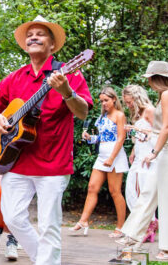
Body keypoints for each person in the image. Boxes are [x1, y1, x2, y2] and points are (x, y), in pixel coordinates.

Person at [0, 15, 93, 265]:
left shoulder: (69, 74)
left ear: (52, 45)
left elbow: (83, 111)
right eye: (30, 34)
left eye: (40, 33)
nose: (33, 36)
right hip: (16, 161)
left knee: (48, 225)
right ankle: (44, 259)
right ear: (24, 44)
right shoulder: (15, 77)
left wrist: (66, 92)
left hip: (53, 163)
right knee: (11, 217)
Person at [116, 61, 168, 260]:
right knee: (148, 193)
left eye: (150, 79)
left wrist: (154, 151)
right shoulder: (166, 95)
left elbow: (166, 127)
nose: (149, 84)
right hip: (165, 148)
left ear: (156, 78)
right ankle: (132, 234)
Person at [71, 86, 128, 238]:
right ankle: (83, 220)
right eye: (102, 101)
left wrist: (112, 158)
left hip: (114, 155)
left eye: (106, 100)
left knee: (115, 191)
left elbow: (121, 138)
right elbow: (102, 138)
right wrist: (90, 138)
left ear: (114, 99)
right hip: (102, 155)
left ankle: (121, 227)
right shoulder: (102, 117)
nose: (104, 103)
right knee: (92, 187)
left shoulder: (119, 115)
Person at [122, 85, 158, 243]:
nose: (128, 105)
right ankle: (146, 223)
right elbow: (139, 137)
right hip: (139, 155)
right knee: (131, 190)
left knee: (144, 191)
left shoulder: (150, 110)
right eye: (126, 103)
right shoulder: (137, 114)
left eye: (129, 102)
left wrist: (136, 128)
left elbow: (159, 132)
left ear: (137, 98)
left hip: (150, 155)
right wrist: (133, 151)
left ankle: (147, 226)